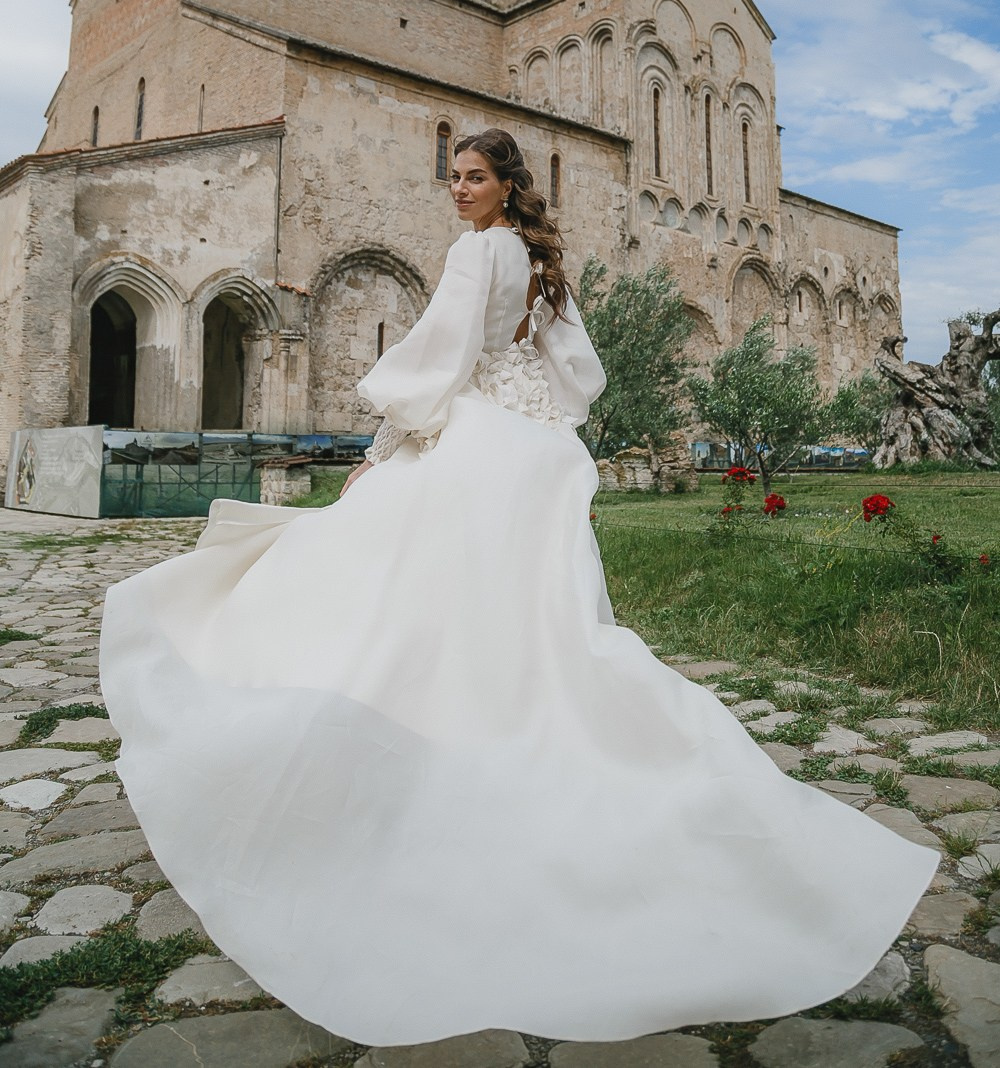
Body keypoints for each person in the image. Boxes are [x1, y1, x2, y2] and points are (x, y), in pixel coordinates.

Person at [99, 128, 937, 1050]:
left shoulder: (477, 254)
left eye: (475, 177)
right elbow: (570, 371)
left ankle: (382, 773)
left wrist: (381, 451)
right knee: (529, 633)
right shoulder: (539, 263)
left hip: (474, 453)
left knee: (388, 601)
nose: (458, 189)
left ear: (507, 185)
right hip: (533, 458)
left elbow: (441, 357)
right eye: (454, 176)